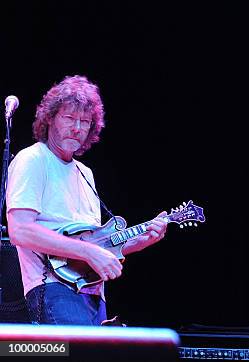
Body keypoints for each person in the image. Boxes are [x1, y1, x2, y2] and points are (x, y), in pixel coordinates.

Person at [6, 75, 168, 325]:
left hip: (93, 294)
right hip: (53, 291)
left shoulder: (85, 173)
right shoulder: (33, 159)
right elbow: (20, 231)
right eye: (69, 118)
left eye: (85, 122)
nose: (77, 128)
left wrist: (141, 242)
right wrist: (89, 252)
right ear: (49, 119)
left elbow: (96, 245)